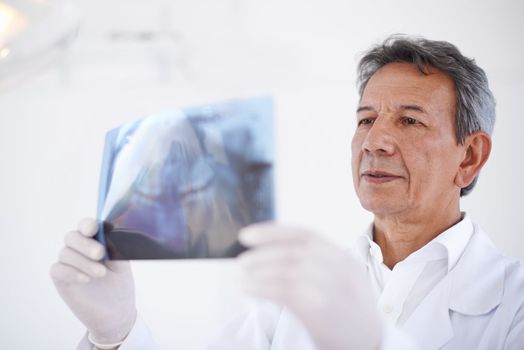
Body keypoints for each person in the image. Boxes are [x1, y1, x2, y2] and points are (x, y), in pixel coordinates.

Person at [50, 35, 524, 350]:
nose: (375, 140)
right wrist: (115, 332)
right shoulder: (292, 297)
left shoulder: (514, 304)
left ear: (470, 157)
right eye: (365, 119)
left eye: (409, 119)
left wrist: (370, 340)